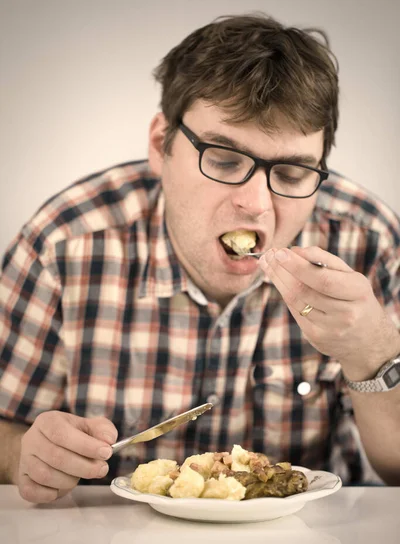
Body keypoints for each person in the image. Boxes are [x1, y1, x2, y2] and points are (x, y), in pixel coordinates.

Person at [1, 13, 400, 504]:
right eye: (225, 160)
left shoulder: (369, 242)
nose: (255, 203)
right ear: (160, 145)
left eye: (293, 173)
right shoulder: (66, 243)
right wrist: (26, 455)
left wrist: (372, 353)